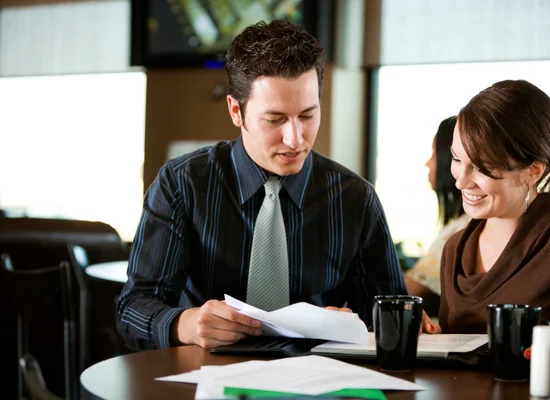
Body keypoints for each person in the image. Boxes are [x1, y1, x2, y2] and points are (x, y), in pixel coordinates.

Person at [117, 20, 408, 351]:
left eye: (308, 116)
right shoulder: (182, 184)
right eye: (275, 119)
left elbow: (392, 316)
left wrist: (352, 323)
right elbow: (133, 309)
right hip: (206, 378)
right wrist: (186, 324)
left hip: (318, 381)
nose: (295, 139)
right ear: (236, 111)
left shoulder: (356, 198)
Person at [435, 79, 550, 365]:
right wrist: (429, 337)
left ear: (532, 172)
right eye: (456, 159)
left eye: (482, 168)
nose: (461, 181)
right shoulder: (454, 249)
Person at [404, 116, 469, 313]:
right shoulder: (462, 223)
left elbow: (405, 290)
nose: (427, 163)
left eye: (433, 154)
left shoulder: (463, 228)